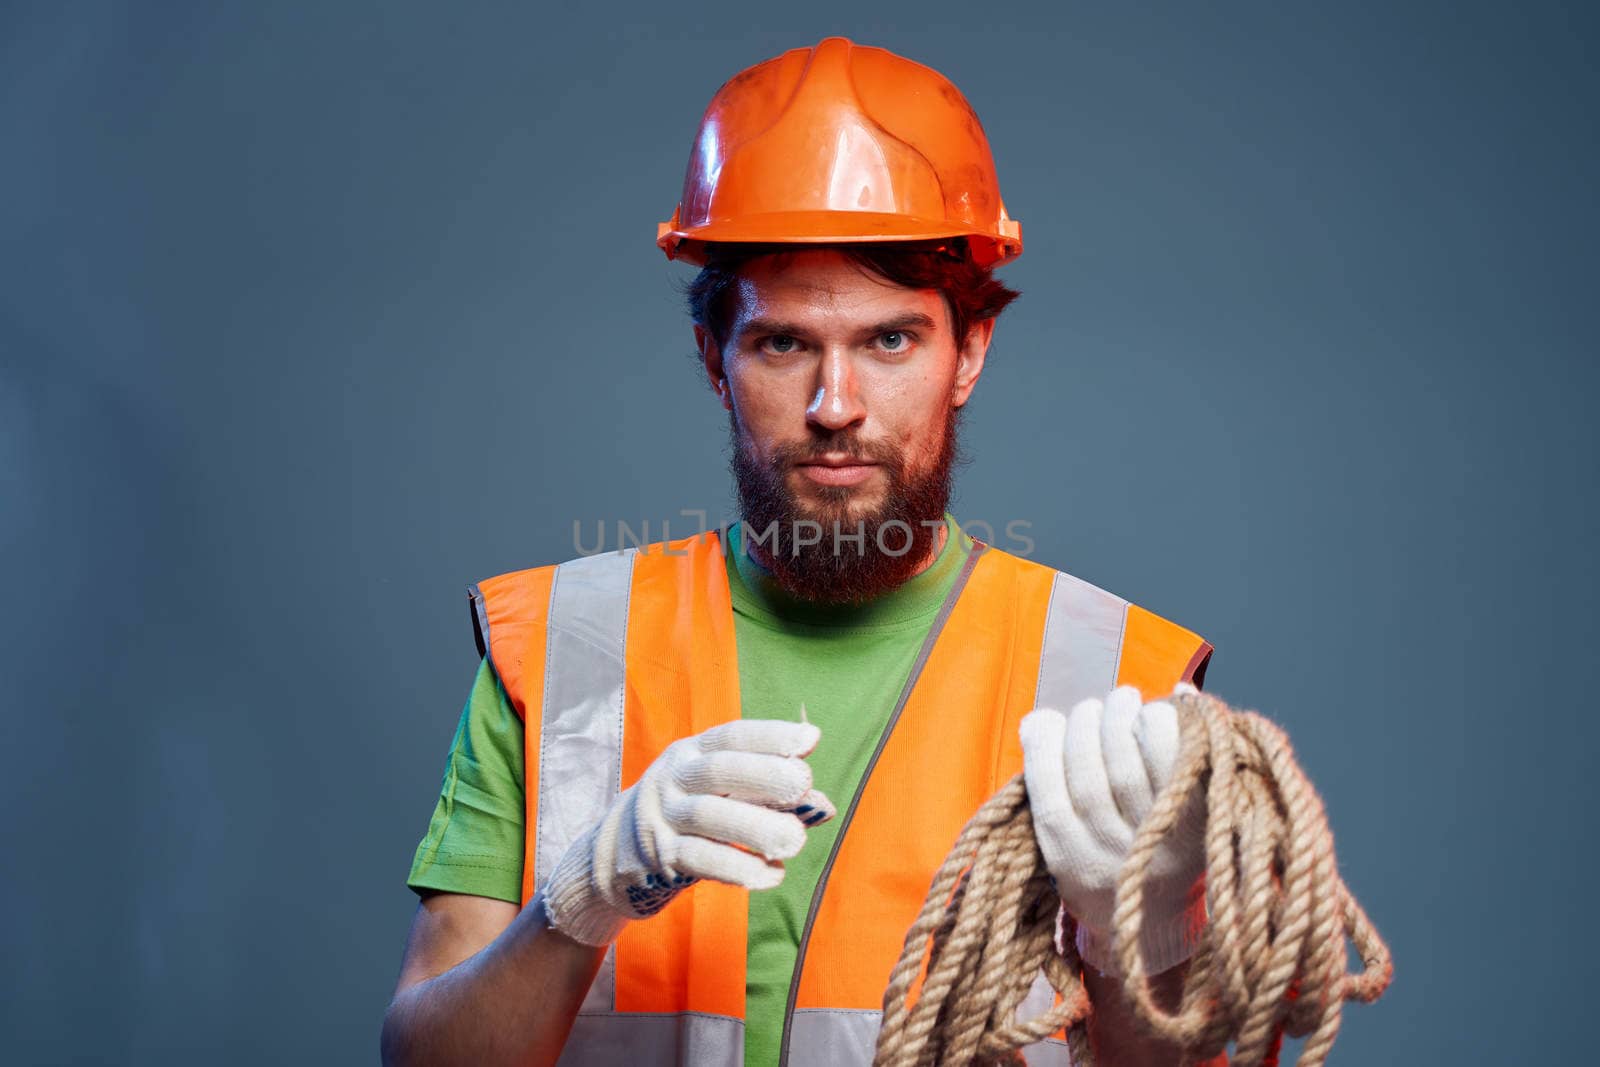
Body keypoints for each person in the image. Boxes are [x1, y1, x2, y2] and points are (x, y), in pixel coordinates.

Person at [381, 37, 1218, 1067]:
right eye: (783, 343)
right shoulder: (559, 649)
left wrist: (1145, 941)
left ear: (970, 353)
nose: (836, 407)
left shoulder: (1123, 685)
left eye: (890, 340)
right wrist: (579, 901)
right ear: (714, 359)